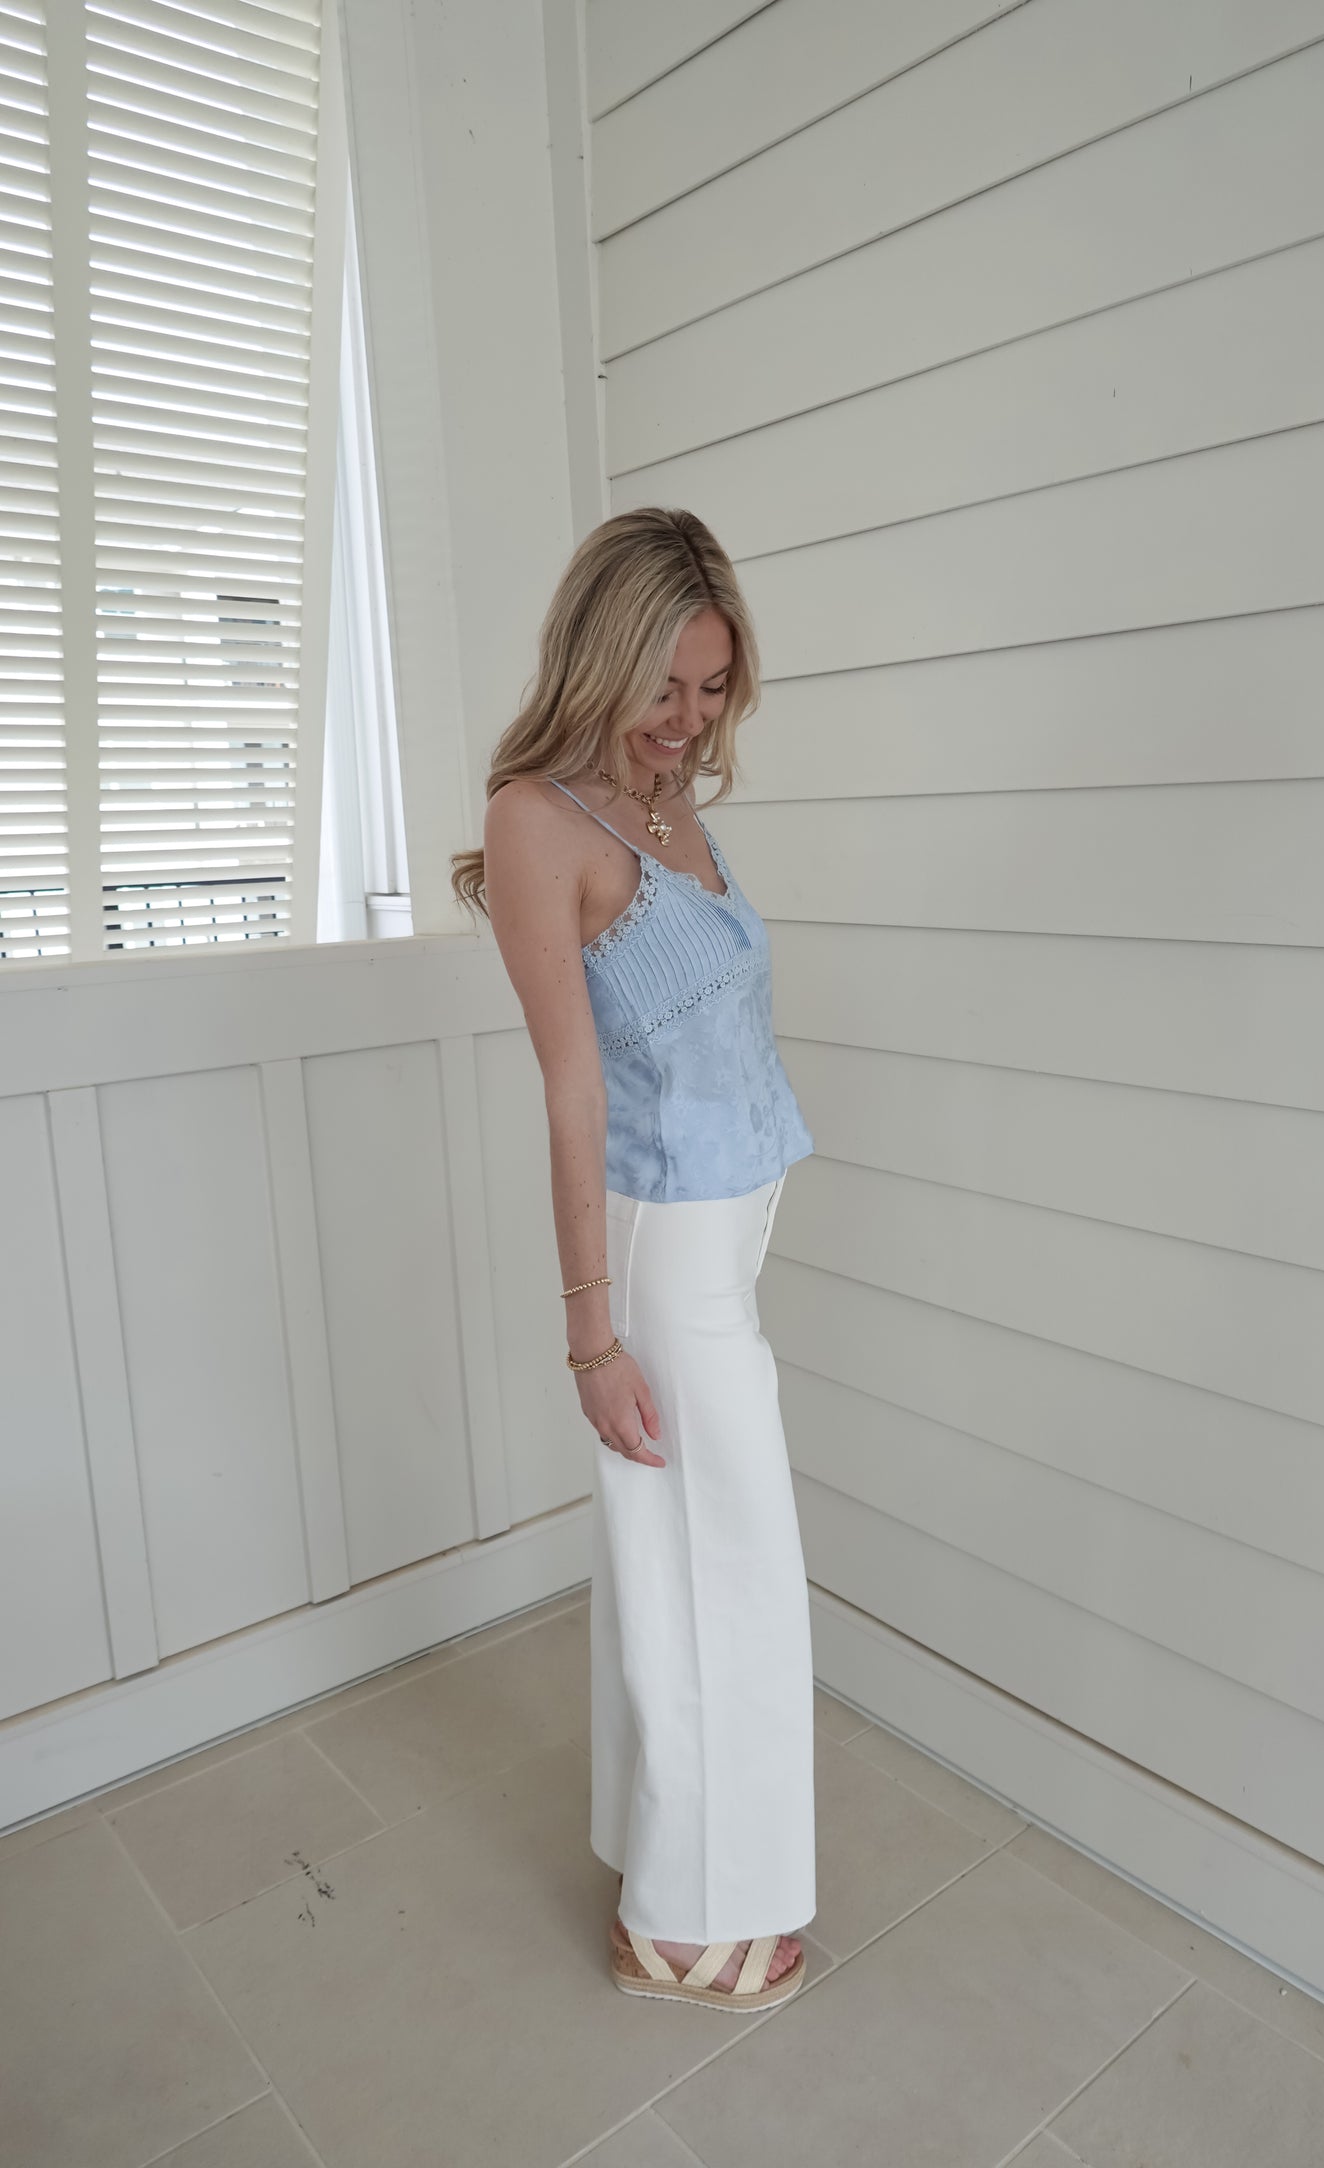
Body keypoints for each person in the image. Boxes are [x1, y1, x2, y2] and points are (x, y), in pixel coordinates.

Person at [452, 507, 816, 2011]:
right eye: (661, 686)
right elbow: (574, 1092)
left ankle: (657, 1856)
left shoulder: (672, 808)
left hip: (726, 1236)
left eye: (713, 686)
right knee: (724, 1577)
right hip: (660, 1259)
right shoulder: (542, 819)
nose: (686, 722)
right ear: (596, 660)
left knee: (683, 1569)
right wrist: (590, 1341)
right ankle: (686, 1922)